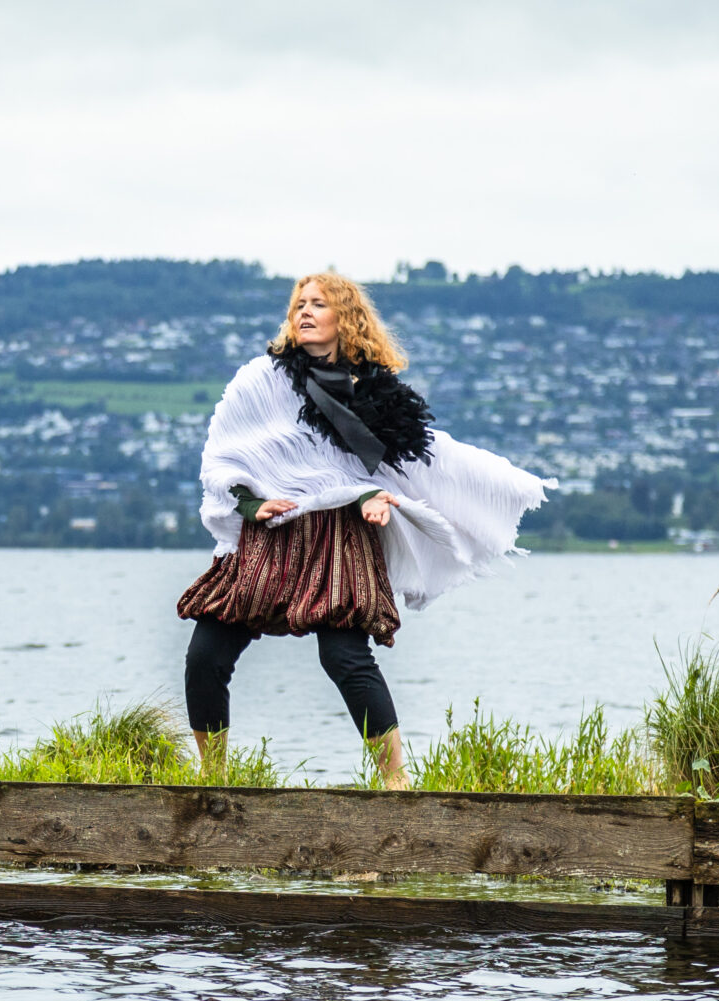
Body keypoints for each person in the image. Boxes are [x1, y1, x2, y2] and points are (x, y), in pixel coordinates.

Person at [178, 273, 550, 788]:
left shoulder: (376, 393)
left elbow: (403, 464)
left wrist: (379, 500)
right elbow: (221, 461)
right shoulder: (260, 381)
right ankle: (211, 777)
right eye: (298, 305)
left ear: (345, 318)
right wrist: (250, 506)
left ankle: (394, 781)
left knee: (345, 655)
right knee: (206, 653)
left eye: (318, 304)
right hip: (273, 530)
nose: (304, 312)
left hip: (338, 536)